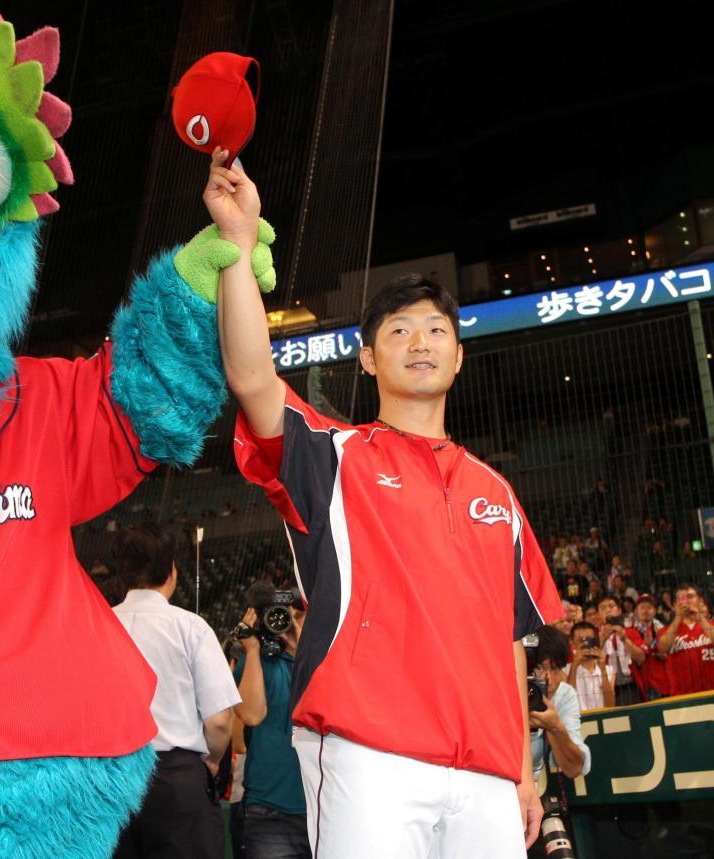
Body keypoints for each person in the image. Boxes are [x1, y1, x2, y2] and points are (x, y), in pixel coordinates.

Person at [204, 148, 563, 856]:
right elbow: (251, 376)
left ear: (459, 355)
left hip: (490, 773)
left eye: (436, 330)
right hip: (370, 755)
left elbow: (513, 639)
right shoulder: (330, 456)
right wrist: (238, 250)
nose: (420, 342)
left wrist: (523, 771)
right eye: (397, 331)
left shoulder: (498, 493)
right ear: (367, 358)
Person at [113, 523, 242, 858]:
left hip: (112, 781)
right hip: (177, 778)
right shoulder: (190, 627)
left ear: (123, 574)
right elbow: (219, 722)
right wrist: (211, 761)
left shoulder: (97, 627)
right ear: (172, 572)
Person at [233, 592, 310, 859]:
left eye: (298, 616)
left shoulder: (322, 664)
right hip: (269, 809)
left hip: (321, 807)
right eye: (286, 615)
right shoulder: (256, 663)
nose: (289, 623)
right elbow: (251, 715)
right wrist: (252, 650)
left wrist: (304, 654)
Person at [529, 626, 591, 781]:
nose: (547, 679)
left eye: (556, 669)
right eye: (539, 668)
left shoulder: (565, 695)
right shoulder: (506, 691)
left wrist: (555, 727)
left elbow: (574, 768)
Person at [657, 585, 714, 696]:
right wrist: (678, 617)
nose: (687, 601)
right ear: (674, 606)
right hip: (681, 698)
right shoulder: (666, 630)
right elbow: (662, 648)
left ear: (700, 600)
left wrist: (699, 618)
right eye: (682, 598)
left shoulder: (710, 626)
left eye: (690, 596)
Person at [596, 596, 642, 706]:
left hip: (630, 686)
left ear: (619, 610)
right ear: (598, 615)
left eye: (611, 606)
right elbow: (591, 665)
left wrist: (624, 639)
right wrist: (601, 642)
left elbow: (641, 658)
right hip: (605, 689)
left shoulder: (631, 632)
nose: (607, 610)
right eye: (603, 608)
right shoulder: (595, 637)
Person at [625, 595, 669, 701]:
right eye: (642, 607)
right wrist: (649, 648)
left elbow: (669, 654)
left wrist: (658, 652)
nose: (646, 611)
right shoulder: (630, 632)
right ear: (636, 611)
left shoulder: (663, 630)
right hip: (644, 683)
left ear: (655, 611)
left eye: (649, 607)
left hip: (665, 682)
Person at [568, 622, 615, 710]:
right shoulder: (565, 670)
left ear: (595, 641)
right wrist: (574, 666)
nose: (586, 644)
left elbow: (611, 705)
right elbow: (567, 703)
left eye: (589, 639)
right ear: (572, 642)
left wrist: (602, 668)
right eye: (581, 640)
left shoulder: (609, 670)